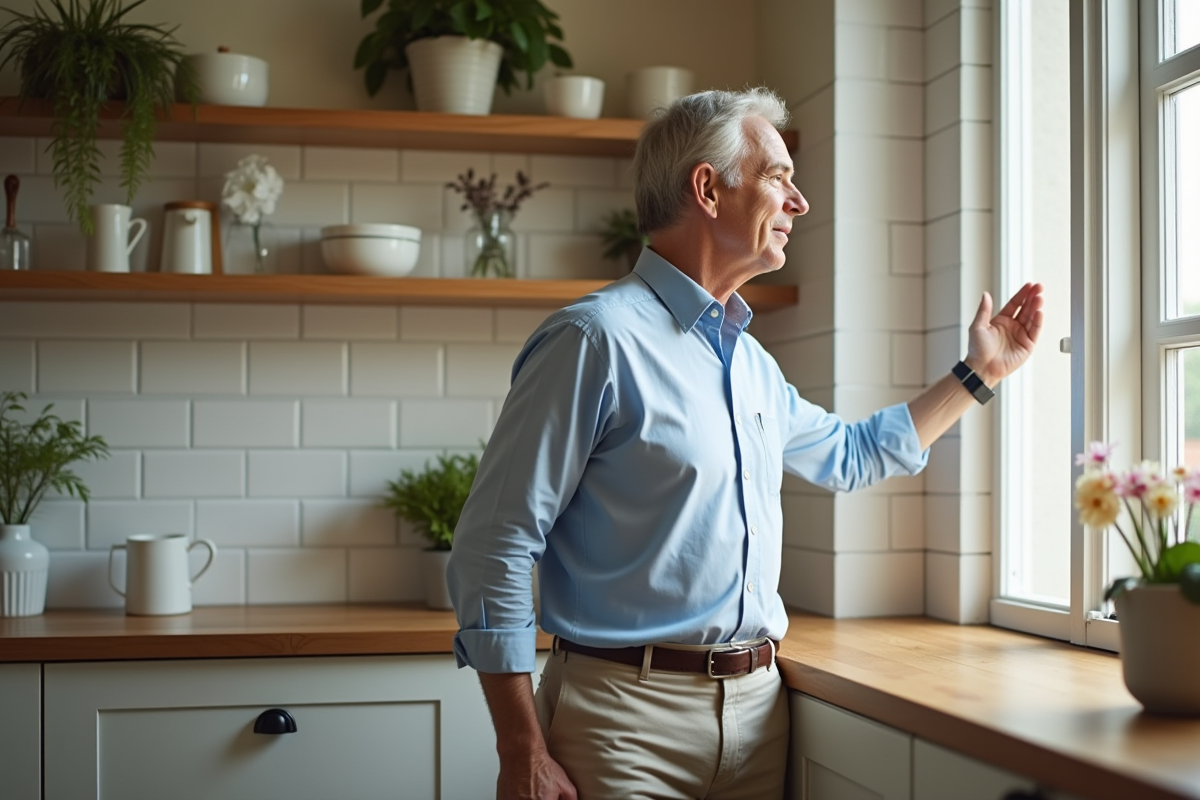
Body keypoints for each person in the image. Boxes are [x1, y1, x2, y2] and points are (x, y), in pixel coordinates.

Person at [446, 87, 1044, 800]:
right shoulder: (593, 341)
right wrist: (521, 748)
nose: (800, 202)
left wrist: (979, 374)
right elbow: (495, 544)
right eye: (777, 177)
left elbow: (851, 455)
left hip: (760, 719)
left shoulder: (751, 364)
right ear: (707, 189)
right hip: (622, 723)